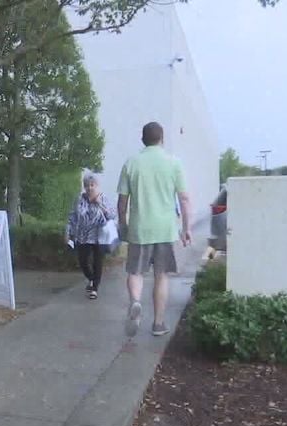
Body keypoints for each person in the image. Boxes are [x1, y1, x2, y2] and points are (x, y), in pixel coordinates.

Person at [117, 122, 192, 337]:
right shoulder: (173, 163)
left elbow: (122, 202)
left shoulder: (131, 163)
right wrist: (186, 228)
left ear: (143, 139)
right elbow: (184, 199)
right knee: (161, 276)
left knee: (135, 272)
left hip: (139, 229)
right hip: (165, 230)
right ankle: (158, 324)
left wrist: (123, 225)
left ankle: (135, 302)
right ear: (162, 139)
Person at [65, 172, 117, 299]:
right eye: (87, 185)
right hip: (83, 236)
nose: (89, 188)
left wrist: (99, 203)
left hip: (100, 236)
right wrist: (67, 232)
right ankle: (92, 278)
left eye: (92, 185)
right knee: (83, 261)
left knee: (97, 262)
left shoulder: (103, 198)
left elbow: (112, 216)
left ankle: (95, 288)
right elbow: (72, 217)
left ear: (97, 186)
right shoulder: (80, 199)